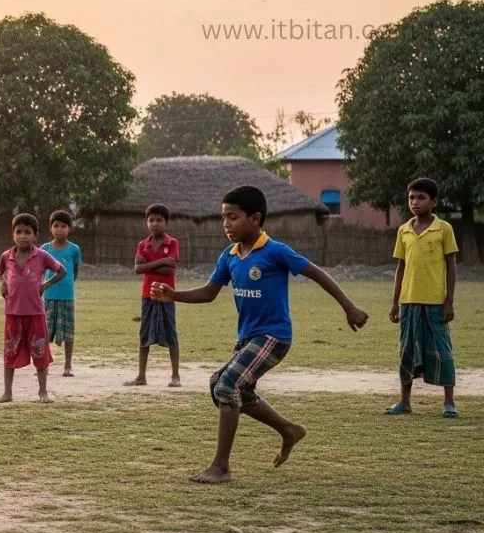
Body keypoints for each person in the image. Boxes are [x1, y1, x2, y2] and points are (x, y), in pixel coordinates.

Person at [151, 185, 368, 484]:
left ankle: (221, 467)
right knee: (219, 384)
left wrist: (349, 307)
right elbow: (209, 292)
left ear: (255, 218)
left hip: (274, 337)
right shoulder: (229, 256)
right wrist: (173, 295)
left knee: (228, 385)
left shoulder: (275, 251)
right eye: (223, 217)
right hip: (248, 339)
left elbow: (316, 272)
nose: (226, 224)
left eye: (233, 217)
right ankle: (289, 430)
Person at [387, 177, 459, 418]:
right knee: (406, 350)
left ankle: (449, 402)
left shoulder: (444, 229)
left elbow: (451, 266)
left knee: (442, 350)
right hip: (408, 302)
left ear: (433, 202)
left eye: (421, 198)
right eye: (411, 198)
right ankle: (404, 401)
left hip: (436, 302)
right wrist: (395, 302)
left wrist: (449, 301)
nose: (415, 202)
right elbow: (401, 268)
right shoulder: (404, 231)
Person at [0, 213, 66, 403]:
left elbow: (62, 271)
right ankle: (7, 393)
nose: (22, 236)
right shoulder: (6, 256)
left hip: (35, 313)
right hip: (12, 313)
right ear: (13, 234)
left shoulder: (41, 256)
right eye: (18, 232)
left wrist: (45, 285)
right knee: (9, 352)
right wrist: (2, 283)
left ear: (35, 236)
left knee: (40, 353)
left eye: (27, 232)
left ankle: (43, 392)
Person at [125, 204, 182, 388]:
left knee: (171, 334)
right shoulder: (143, 244)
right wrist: (162, 261)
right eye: (151, 220)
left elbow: (169, 269)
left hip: (166, 296)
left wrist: (151, 263)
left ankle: (175, 376)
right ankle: (141, 376)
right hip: (147, 296)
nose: (154, 224)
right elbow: (138, 269)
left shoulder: (172, 243)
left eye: (159, 220)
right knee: (144, 335)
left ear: (166, 222)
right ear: (146, 222)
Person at [41, 210, 82, 377]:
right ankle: (43, 365)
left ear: (69, 229)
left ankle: (68, 365)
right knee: (44, 332)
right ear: (51, 228)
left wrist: (67, 286)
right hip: (48, 296)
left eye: (63, 226)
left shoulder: (74, 249)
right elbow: (40, 272)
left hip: (67, 296)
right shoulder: (44, 249)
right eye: (55, 226)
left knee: (68, 332)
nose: (59, 229)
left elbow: (75, 271)